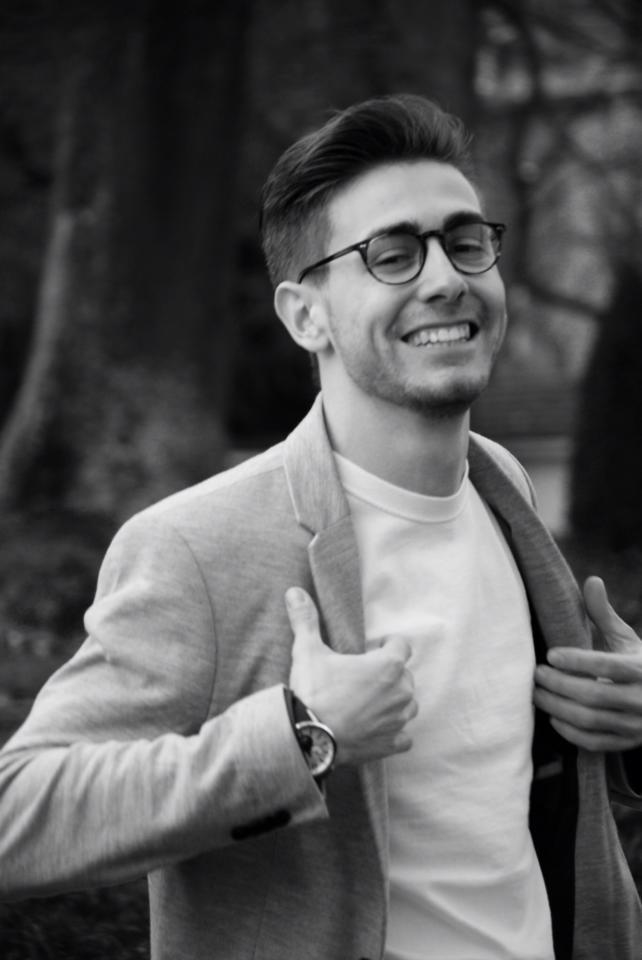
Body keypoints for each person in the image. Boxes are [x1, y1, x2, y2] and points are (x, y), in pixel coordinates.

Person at [0, 94, 641, 960]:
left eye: (465, 242)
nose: (446, 279)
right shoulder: (199, 547)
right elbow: (19, 814)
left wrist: (627, 724)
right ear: (306, 316)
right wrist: (302, 736)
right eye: (392, 255)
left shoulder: (503, 488)